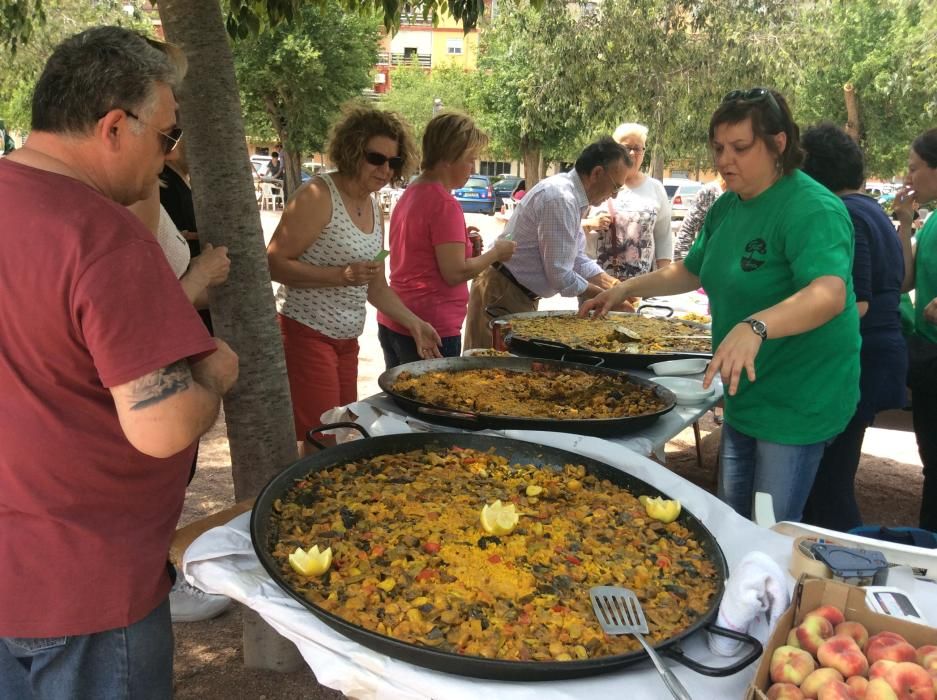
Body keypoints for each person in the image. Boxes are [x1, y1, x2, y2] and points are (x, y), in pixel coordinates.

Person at [0, 26, 238, 699]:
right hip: (87, 586)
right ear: (113, 126)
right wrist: (214, 374)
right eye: (166, 136)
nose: (169, 155)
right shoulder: (103, 236)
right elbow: (160, 427)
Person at [583, 88, 860, 523]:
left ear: (778, 144)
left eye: (740, 148)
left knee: (769, 529)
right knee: (730, 521)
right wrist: (623, 288)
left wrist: (756, 326)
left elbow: (829, 293)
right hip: (743, 393)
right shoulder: (727, 205)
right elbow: (691, 271)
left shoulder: (812, 208)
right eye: (718, 148)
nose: (724, 160)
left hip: (798, 398)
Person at [267, 103, 442, 447]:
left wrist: (414, 323)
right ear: (351, 151)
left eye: (393, 162)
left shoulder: (374, 206)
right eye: (376, 158)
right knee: (322, 436)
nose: (385, 169)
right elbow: (273, 263)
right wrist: (340, 274)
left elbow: (375, 286)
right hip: (306, 331)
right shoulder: (318, 195)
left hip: (347, 340)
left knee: (343, 431)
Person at [800, 124, 907, 531]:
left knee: (829, 484)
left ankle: (845, 558)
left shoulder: (846, 214)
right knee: (834, 475)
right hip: (876, 356)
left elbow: (856, 303)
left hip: (861, 359)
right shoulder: (871, 210)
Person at [463, 137, 630, 349]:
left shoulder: (573, 197)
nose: (613, 196)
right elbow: (561, 275)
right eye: (615, 186)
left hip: (514, 292)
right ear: (597, 173)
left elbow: (577, 258)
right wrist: (607, 297)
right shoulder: (560, 198)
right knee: (488, 372)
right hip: (502, 291)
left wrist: (616, 287)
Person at [378, 111, 516, 366]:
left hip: (396, 318)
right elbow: (454, 273)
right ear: (448, 158)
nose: (472, 168)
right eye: (470, 159)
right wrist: (496, 253)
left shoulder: (411, 193)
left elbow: (423, 255)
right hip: (431, 329)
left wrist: (465, 245)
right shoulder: (444, 203)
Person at [892, 128, 937, 532]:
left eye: (914, 169)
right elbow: (905, 281)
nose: (909, 179)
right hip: (928, 358)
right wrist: (906, 223)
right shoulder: (934, 220)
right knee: (932, 460)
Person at [593, 123, 673, 280]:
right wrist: (591, 222)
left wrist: (663, 281)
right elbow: (572, 225)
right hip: (598, 285)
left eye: (638, 148)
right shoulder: (598, 180)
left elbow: (663, 238)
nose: (631, 153)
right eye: (625, 147)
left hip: (640, 287)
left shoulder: (655, 189)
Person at [673, 176, 725, 260]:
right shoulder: (710, 192)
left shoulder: (750, 196)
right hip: (707, 265)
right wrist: (683, 265)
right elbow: (686, 232)